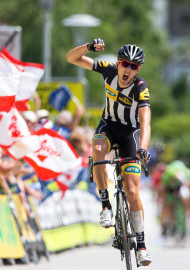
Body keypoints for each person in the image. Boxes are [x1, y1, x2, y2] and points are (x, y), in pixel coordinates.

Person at [66, 38, 152, 266]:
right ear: (118, 63)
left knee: (132, 190)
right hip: (108, 125)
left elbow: (145, 122)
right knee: (97, 150)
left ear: (138, 70)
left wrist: (142, 148)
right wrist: (87, 47)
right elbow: (71, 58)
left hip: (130, 134)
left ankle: (141, 245)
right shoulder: (108, 71)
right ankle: (105, 205)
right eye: (125, 64)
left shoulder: (140, 87)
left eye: (134, 67)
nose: (128, 69)